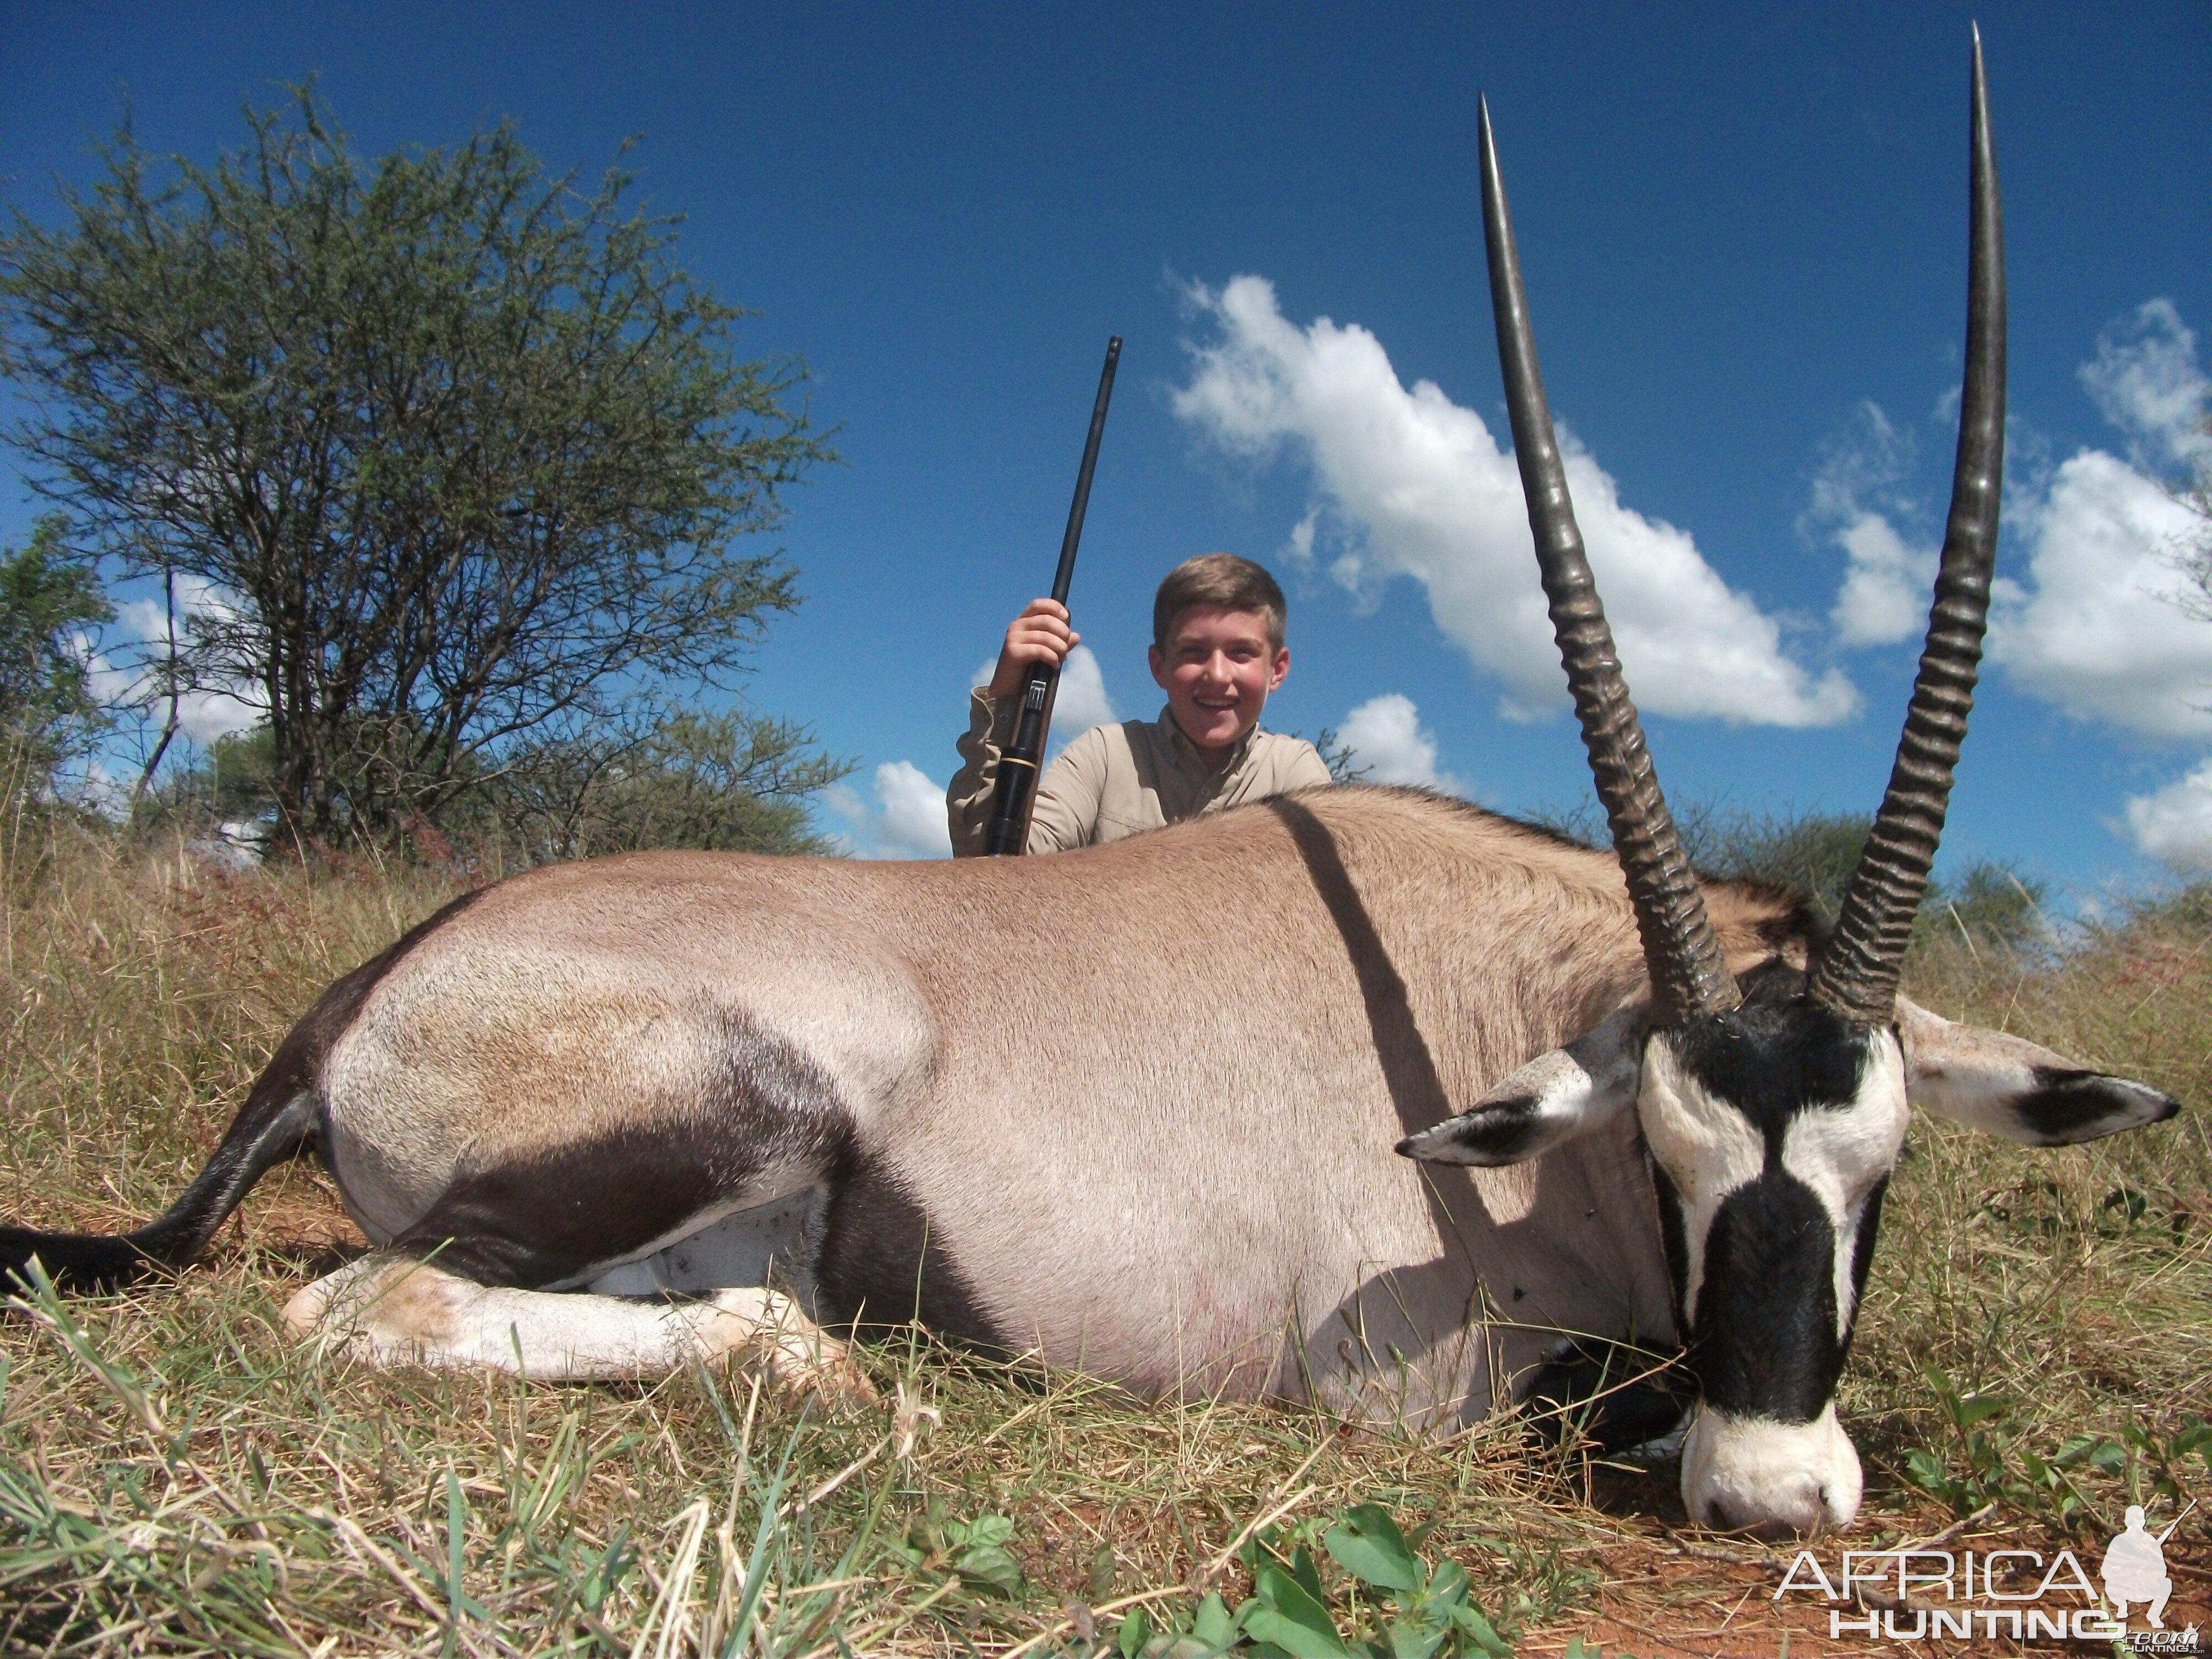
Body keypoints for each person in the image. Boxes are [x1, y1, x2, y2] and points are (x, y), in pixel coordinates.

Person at [947, 552, 1332, 855]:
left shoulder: (1295, 772)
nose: (1217, 674)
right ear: (1158, 666)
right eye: (1193, 651)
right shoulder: (1105, 754)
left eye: (1241, 653)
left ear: (1277, 670)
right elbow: (997, 866)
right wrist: (1006, 693)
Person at [2101, 1505, 2174, 1629]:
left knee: (2166, 1584)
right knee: (2110, 1583)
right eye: (2132, 1521)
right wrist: (2124, 1571)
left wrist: (2149, 1565)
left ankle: (2154, 1615)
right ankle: (2122, 1607)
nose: (2135, 1525)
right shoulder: (2119, 1541)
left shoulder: (2150, 1541)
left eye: (2138, 1520)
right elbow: (2106, 1571)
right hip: (2123, 1587)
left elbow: (2162, 1570)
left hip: (2144, 1587)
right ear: (2126, 1522)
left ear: (2144, 1522)